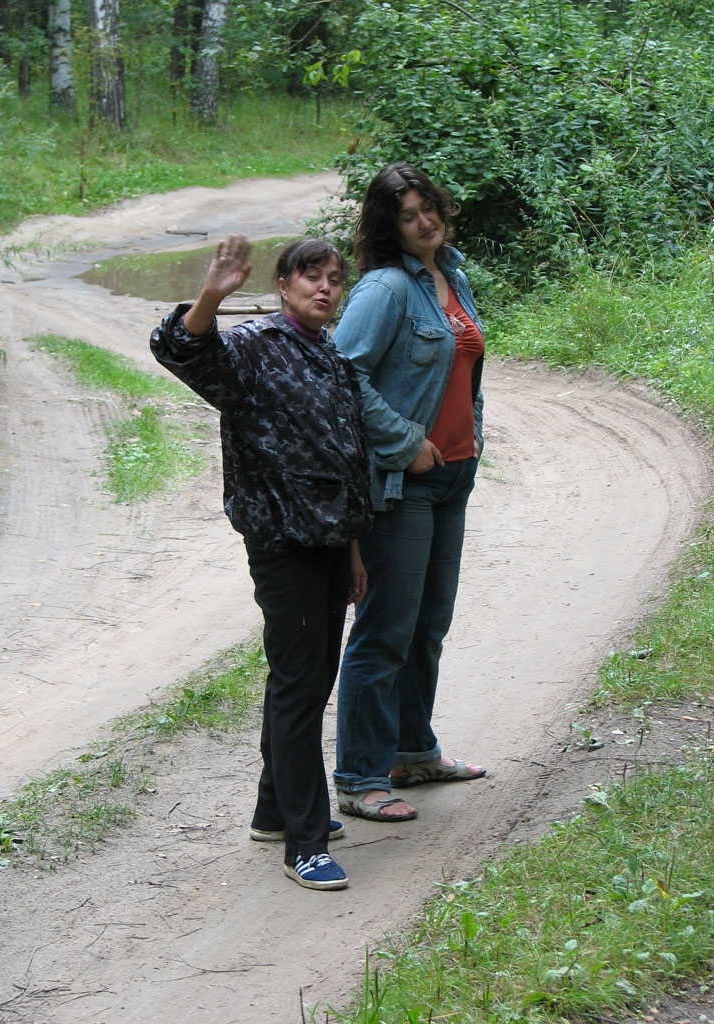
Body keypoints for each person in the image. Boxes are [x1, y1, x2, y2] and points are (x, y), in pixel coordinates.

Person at [150, 234, 372, 889]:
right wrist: (211, 295)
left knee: (308, 678)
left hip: (331, 541)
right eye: (311, 277)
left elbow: (345, 458)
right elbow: (180, 350)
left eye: (334, 279)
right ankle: (305, 844)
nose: (325, 288)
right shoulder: (253, 346)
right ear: (283, 285)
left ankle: (275, 810)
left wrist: (353, 548)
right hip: (283, 542)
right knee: (301, 686)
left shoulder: (330, 355)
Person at [332, 163, 487, 822]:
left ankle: (412, 754)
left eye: (428, 208)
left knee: (428, 626)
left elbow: (465, 369)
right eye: (407, 215)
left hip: (453, 476)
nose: (425, 222)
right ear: (388, 227)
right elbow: (342, 373)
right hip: (405, 484)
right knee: (386, 631)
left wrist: (471, 434)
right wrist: (404, 442)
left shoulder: (452, 274)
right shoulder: (385, 289)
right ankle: (361, 777)